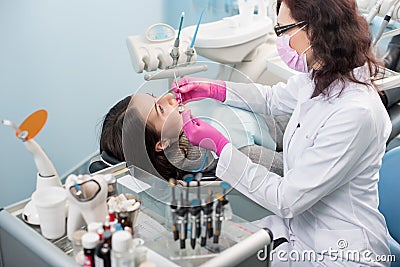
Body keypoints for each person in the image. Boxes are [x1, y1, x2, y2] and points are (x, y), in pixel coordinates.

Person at [172, 0, 392, 265]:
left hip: (342, 252)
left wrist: (220, 146)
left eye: (283, 30)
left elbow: (286, 199)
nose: (281, 42)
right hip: (302, 230)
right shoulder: (322, 76)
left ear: (316, 28)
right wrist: (215, 89)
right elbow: (272, 98)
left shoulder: (355, 112)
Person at [98, 93, 288, 180]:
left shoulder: (182, 124)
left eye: (155, 96)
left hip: (267, 121)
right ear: (162, 143)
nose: (168, 98)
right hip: (275, 139)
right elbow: (296, 168)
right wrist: (220, 146)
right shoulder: (231, 157)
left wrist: (217, 91)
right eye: (160, 108)